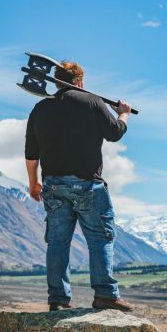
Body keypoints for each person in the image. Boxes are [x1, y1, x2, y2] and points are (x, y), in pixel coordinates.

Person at [24, 60, 134, 312]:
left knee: (58, 242)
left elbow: (31, 153)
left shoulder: (40, 109)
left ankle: (59, 300)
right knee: (100, 238)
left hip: (53, 186)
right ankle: (105, 295)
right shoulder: (92, 102)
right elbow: (115, 133)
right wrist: (123, 113)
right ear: (80, 82)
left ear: (55, 79)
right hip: (88, 185)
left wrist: (33, 183)